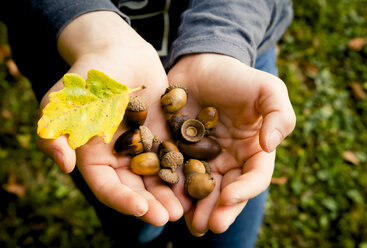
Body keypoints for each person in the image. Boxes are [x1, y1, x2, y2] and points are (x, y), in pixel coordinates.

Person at [1, 0, 296, 247]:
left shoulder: (189, 134)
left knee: (228, 225)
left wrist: (223, 42)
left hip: (236, 53)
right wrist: (92, 32)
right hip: (70, 53)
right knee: (134, 221)